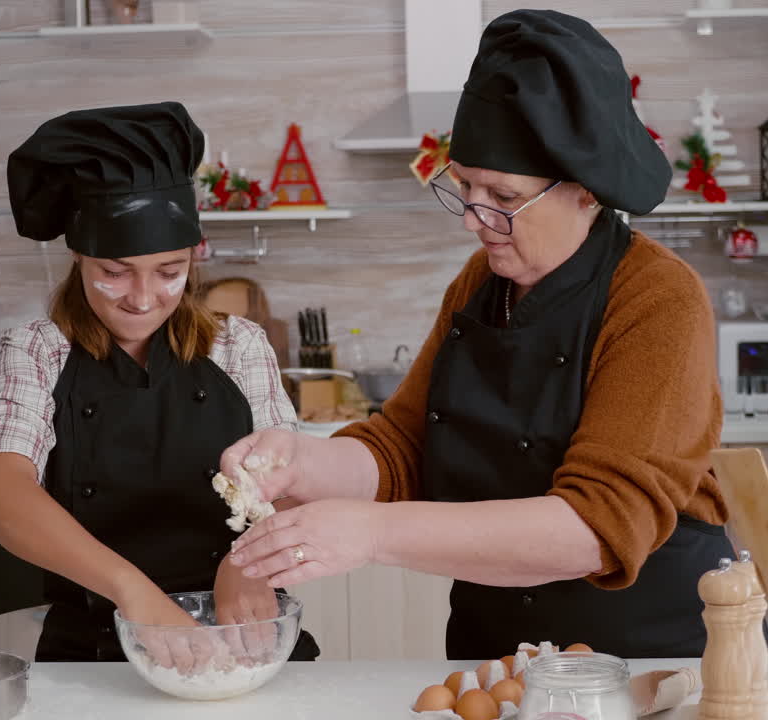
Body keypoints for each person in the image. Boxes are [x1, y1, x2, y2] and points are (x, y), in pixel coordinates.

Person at [219, 10, 732, 661]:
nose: (474, 220)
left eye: (502, 195)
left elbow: (595, 527)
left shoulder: (657, 298)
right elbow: (402, 445)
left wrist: (371, 534)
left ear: (585, 192)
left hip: (640, 655)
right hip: (494, 649)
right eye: (464, 187)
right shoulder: (480, 283)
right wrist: (301, 461)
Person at [0, 102, 318, 665]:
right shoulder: (36, 351)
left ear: (194, 259)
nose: (144, 297)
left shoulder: (239, 345)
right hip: (93, 646)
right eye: (114, 271)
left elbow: (293, 484)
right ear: (78, 257)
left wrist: (247, 562)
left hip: (244, 630)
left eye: (170, 272)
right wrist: (137, 596)